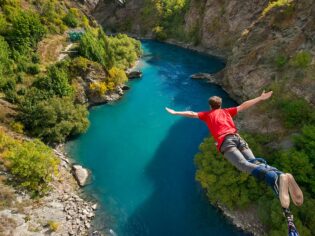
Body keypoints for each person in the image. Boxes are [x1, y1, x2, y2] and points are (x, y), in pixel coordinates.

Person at [165, 91, 303, 209]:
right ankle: (281, 175)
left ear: (210, 106)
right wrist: (260, 98)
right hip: (238, 138)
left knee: (243, 165)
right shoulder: (226, 111)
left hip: (226, 142)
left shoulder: (207, 115)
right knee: (254, 162)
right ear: (220, 104)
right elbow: (244, 106)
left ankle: (275, 179)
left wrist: (175, 112)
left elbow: (192, 113)